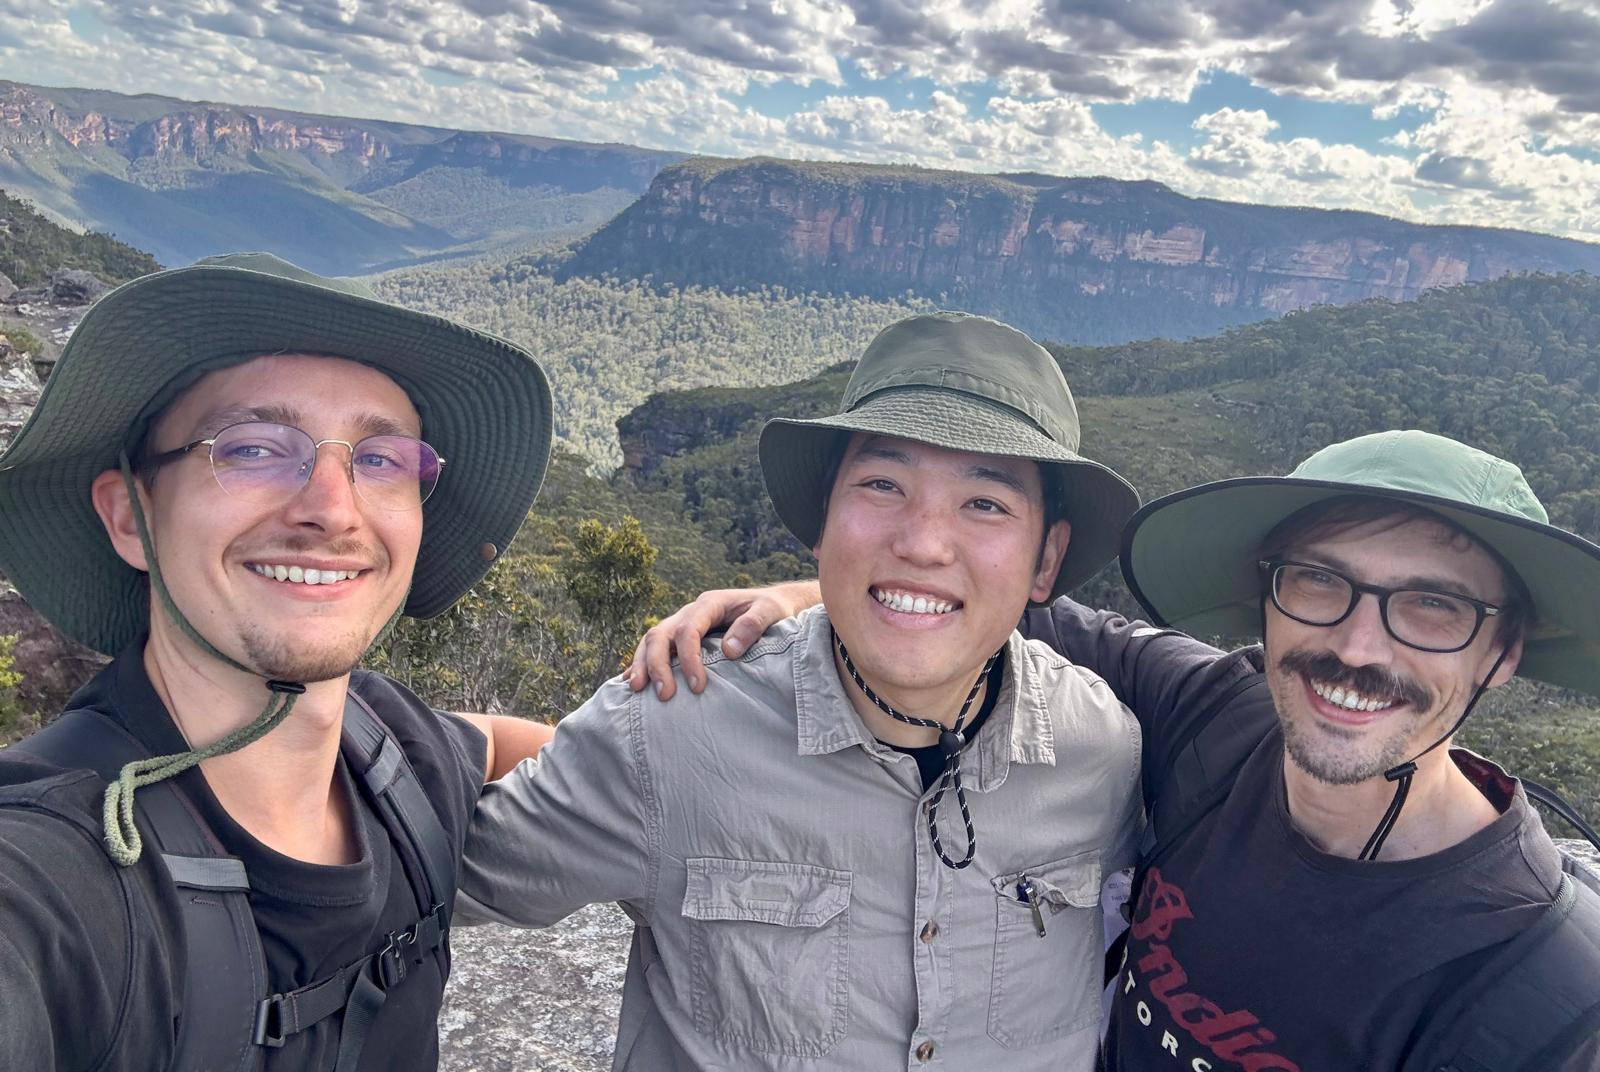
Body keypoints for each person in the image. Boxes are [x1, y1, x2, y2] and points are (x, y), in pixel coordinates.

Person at [631, 429, 1600, 1070]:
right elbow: (1007, 609)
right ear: (1264, 600)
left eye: (1432, 606)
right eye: (1318, 582)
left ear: (1504, 651)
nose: (1355, 647)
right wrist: (808, 597)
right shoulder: (1214, 723)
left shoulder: (1536, 986)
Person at [458, 311, 1145, 1069]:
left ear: (1046, 560)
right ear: (822, 522)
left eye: (985, 503)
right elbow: (423, 871)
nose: (922, 543)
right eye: (883, 485)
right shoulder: (672, 732)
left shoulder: (1104, 751)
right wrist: (420, 735)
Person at [0, 253, 559, 1071]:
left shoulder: (394, 749)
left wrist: (765, 625)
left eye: (381, 459)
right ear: (129, 517)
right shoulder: (54, 876)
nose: (332, 510)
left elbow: (511, 746)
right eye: (254, 448)